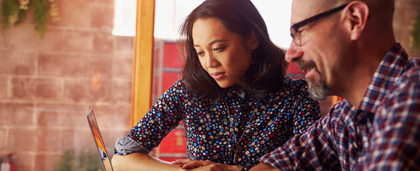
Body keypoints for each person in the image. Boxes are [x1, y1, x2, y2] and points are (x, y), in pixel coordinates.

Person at [111, 0, 321, 170]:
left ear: (252, 39)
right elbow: (122, 159)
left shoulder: (297, 96)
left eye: (219, 48)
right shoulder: (187, 91)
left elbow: (314, 164)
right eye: (200, 52)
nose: (209, 63)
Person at [249, 0, 420, 170]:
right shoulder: (346, 114)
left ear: (354, 20)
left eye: (299, 33)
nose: (290, 55)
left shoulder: (411, 100)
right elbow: (282, 162)